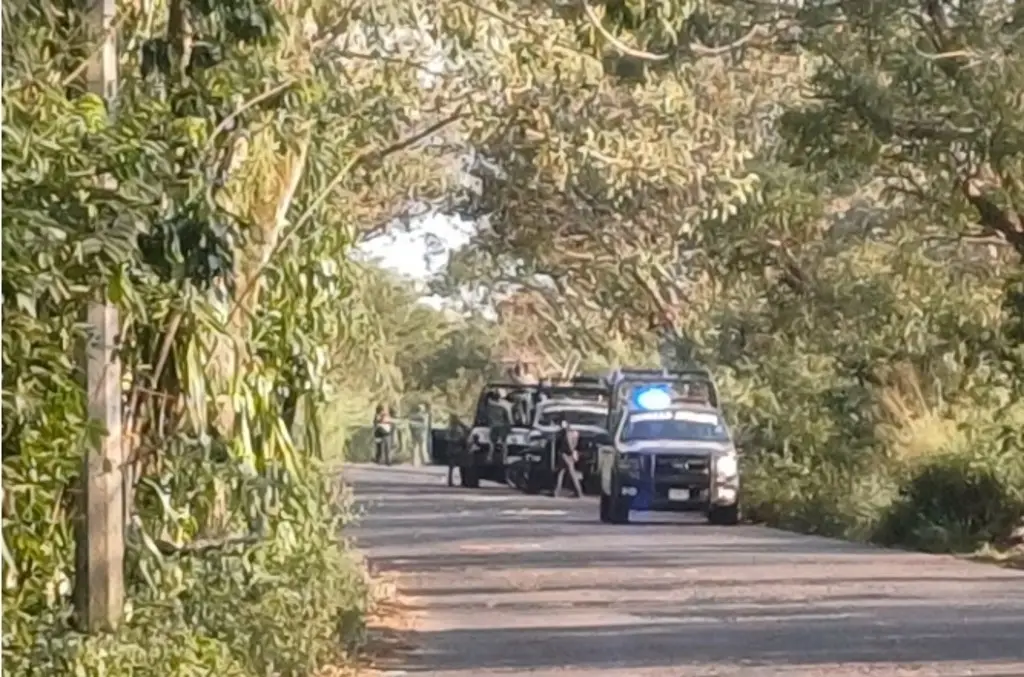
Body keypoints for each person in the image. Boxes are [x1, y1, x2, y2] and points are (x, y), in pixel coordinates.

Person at [552, 419, 583, 498]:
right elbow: (574, 444)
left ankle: (578, 492)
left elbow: (569, 445)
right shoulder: (573, 433)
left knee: (567, 473)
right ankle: (558, 492)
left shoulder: (567, 433)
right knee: (563, 473)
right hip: (567, 455)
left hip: (566, 455)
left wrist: (572, 452)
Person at [445, 413, 469, 487]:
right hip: (457, 448)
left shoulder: (451, 427)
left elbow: (447, 438)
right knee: (462, 465)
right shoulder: (458, 428)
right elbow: (462, 437)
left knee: (452, 467)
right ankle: (462, 481)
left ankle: (451, 482)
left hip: (452, 447)